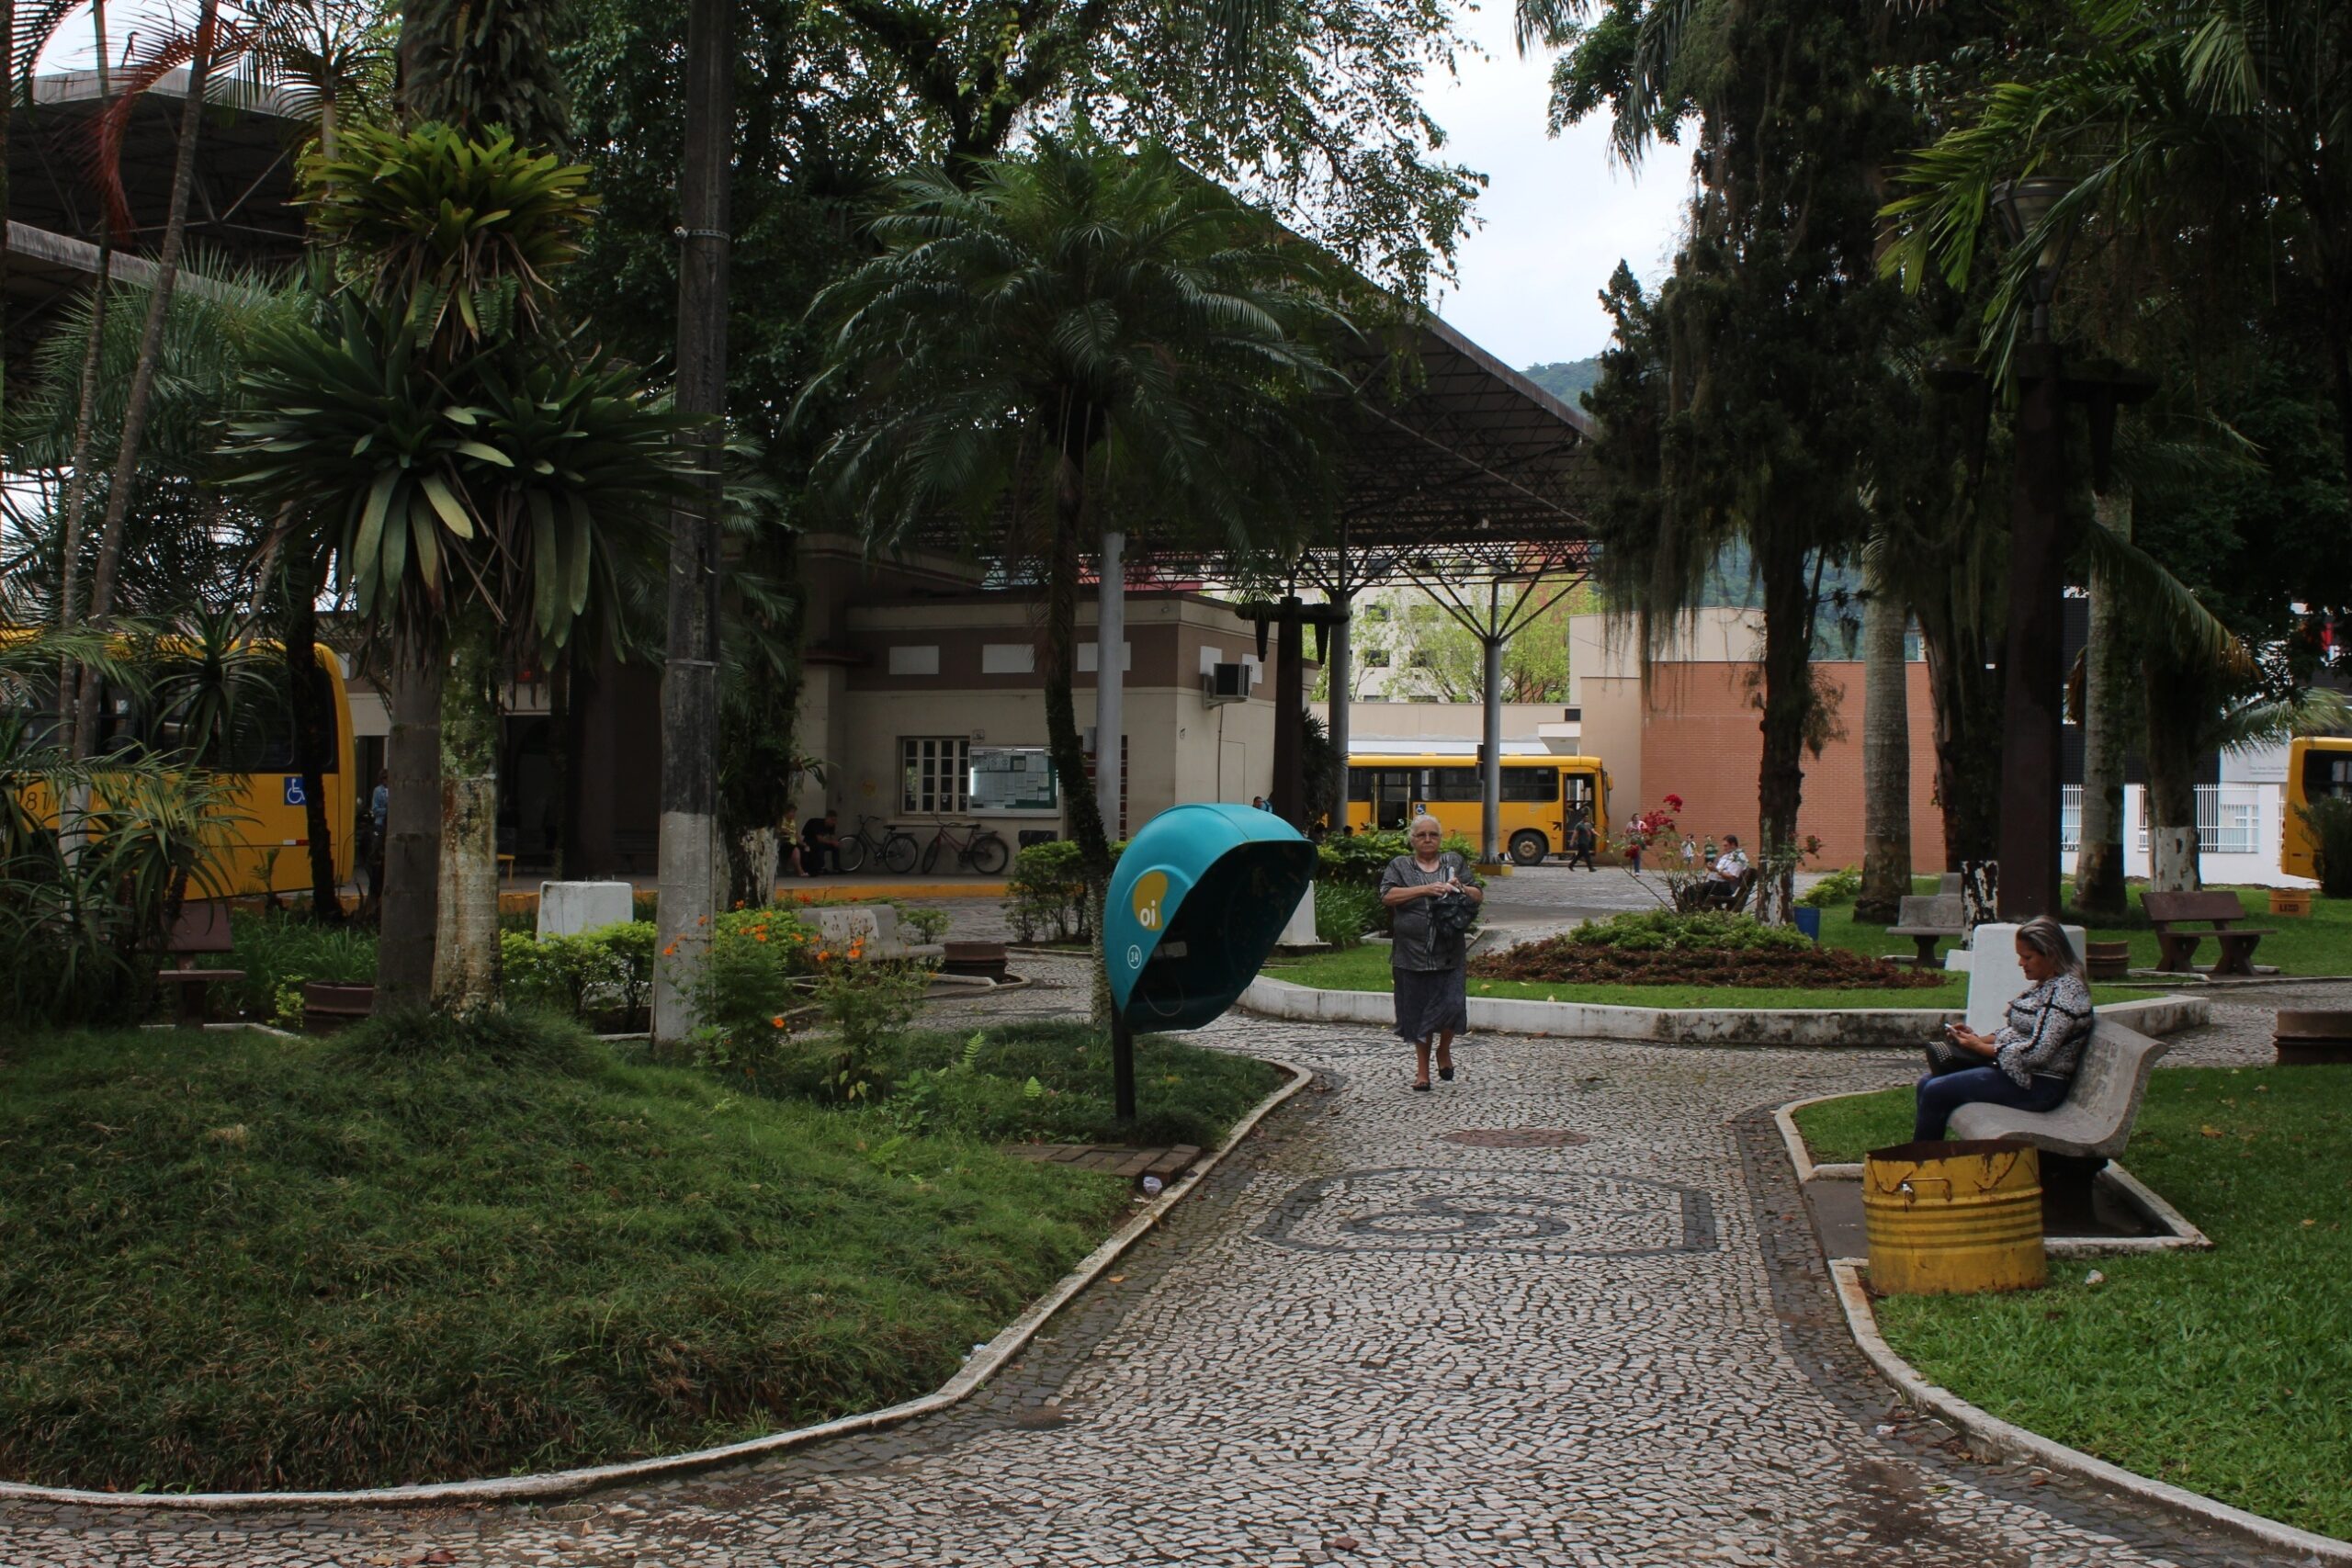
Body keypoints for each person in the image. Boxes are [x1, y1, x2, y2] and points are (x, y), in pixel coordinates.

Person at [1913, 917, 2094, 1143]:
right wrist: (1975, 1038)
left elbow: (2037, 1052)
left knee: (1936, 1091)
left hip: (2038, 1086)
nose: (2020, 963)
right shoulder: (2049, 985)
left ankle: (1922, 1166)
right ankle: (1924, 1162)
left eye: (2027, 957)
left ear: (2052, 954)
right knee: (1926, 1083)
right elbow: (2019, 1032)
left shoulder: (2065, 994)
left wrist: (1980, 1048)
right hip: (2019, 1076)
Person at [1379, 815, 1485, 1092]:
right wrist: (1426, 889)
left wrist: (1460, 887)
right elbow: (1388, 896)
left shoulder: (1454, 862)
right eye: (1421, 835)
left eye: (1433, 835)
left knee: (1451, 1007)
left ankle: (1444, 1050)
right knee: (1419, 1014)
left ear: (1440, 838)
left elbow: (1477, 894)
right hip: (1411, 954)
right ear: (1412, 839)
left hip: (1449, 952)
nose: (1427, 839)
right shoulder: (1399, 865)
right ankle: (1422, 1072)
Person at [1702, 834, 1747, 905]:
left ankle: (1690, 911)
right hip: (1717, 884)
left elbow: (1732, 877)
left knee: (1693, 890)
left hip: (1725, 887)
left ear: (1733, 844)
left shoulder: (1739, 856)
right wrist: (1711, 868)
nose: (1724, 848)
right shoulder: (1728, 855)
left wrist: (1716, 870)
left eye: (1726, 845)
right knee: (1693, 890)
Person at [801, 808, 842, 875]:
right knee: (821, 846)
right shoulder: (818, 823)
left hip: (818, 842)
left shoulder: (832, 826)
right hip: (809, 841)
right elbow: (819, 839)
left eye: (835, 820)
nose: (834, 822)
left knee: (835, 847)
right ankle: (821, 868)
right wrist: (832, 842)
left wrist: (836, 843)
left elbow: (832, 837)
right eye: (832, 820)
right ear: (827, 818)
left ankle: (836, 868)